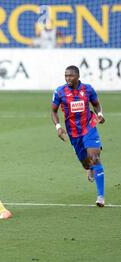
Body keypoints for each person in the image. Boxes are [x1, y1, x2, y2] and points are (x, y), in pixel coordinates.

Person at [51, 65, 106, 207]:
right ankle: (89, 169)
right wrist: (58, 127)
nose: (68, 78)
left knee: (95, 157)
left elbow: (96, 105)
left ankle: (100, 196)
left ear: (78, 76)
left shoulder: (88, 89)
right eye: (66, 76)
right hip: (73, 132)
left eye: (71, 76)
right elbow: (54, 111)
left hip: (89, 126)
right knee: (85, 162)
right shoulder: (59, 91)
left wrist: (99, 115)